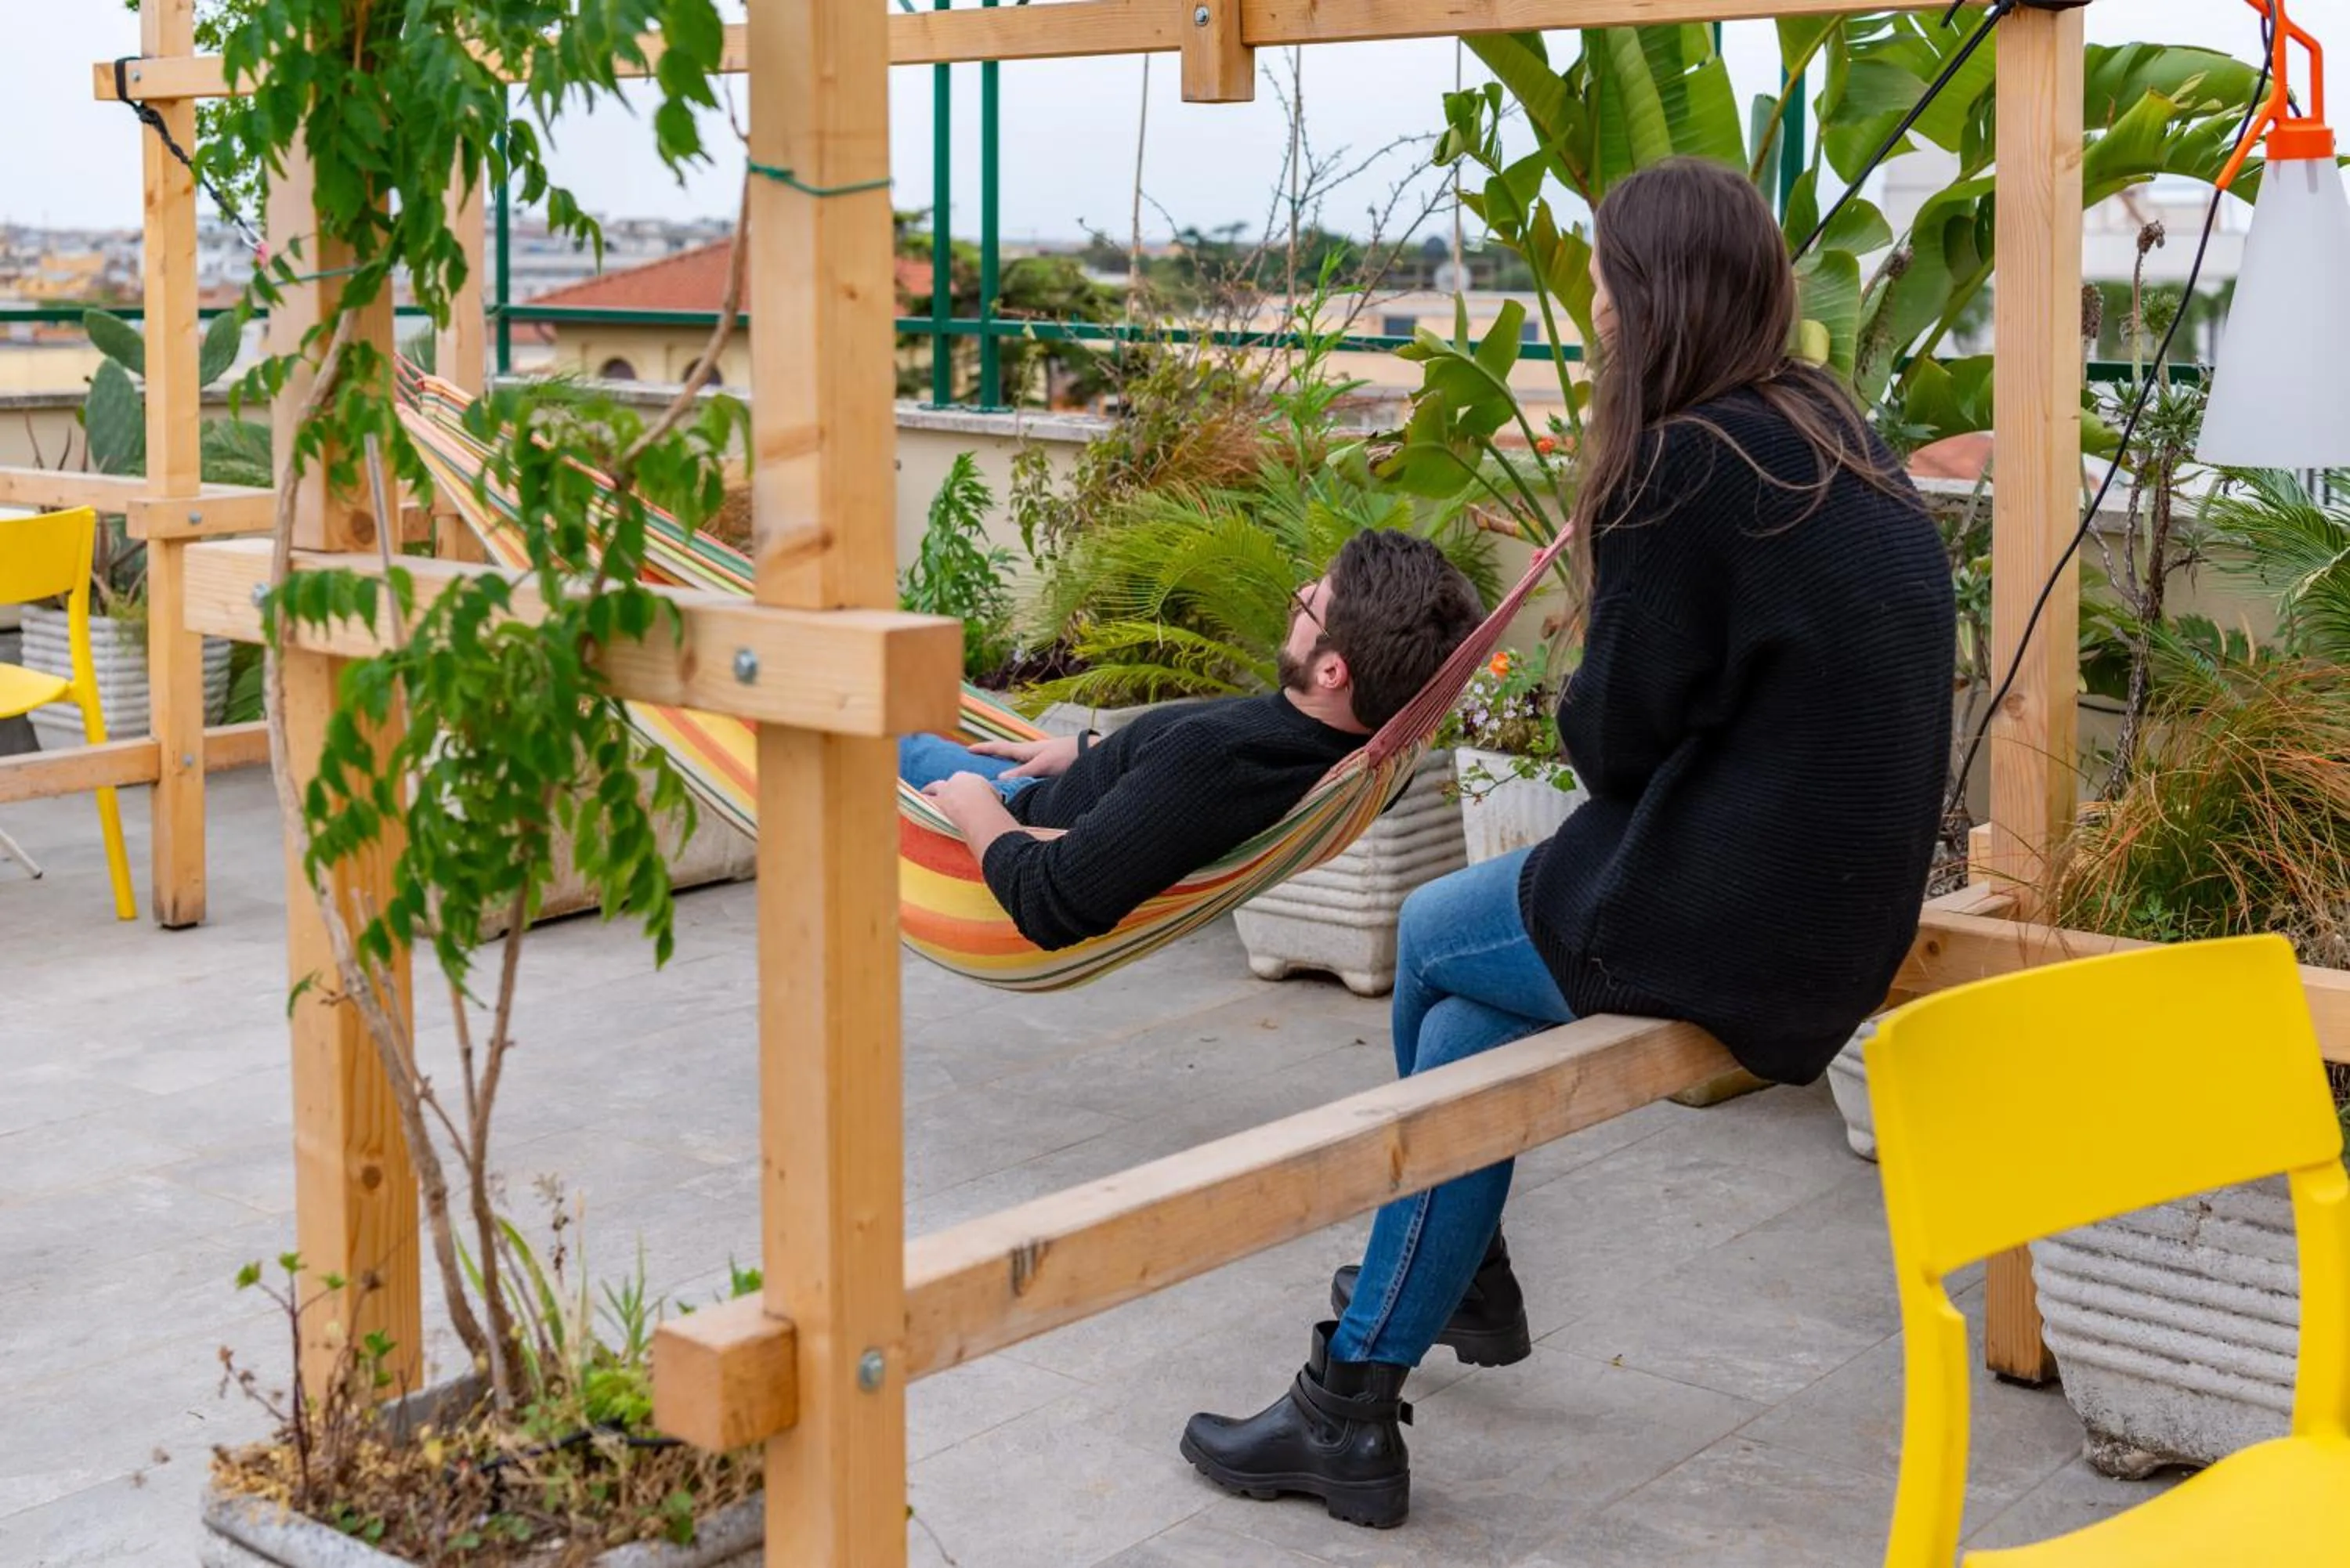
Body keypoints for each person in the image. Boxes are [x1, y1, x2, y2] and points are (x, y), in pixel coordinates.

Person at [1178, 157, 1958, 1530]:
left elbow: (1614, 746)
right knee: (1471, 1035)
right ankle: (1368, 1378)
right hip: (1848, 903)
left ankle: (1423, 1295)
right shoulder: (1830, 426)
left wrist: (1592, 631)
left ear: (1649, 294)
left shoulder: (1680, 458)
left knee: (1431, 934)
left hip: (1739, 914)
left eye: (1604, 280)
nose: (1594, 306)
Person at [906, 529, 1485, 952]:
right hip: (1056, 781)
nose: (1302, 594)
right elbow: (1177, 775)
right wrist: (1090, 754)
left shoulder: (1213, 761)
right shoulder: (1374, 748)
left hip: (996, 820)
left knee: (859, 724)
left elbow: (1051, 901)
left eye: (1311, 604)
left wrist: (973, 805)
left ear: (1332, 672)